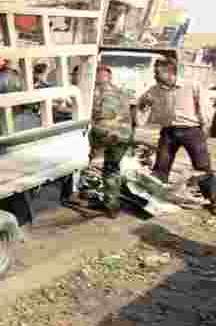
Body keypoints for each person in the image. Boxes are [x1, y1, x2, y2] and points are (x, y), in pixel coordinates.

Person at [132, 57, 215, 212]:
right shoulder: (154, 90)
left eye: (157, 72)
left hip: (191, 130)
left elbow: (205, 108)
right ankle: (153, 201)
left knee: (202, 167)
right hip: (168, 132)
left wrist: (205, 127)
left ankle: (213, 200)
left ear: (169, 72)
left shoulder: (191, 85)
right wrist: (143, 105)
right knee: (160, 168)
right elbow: (141, 106)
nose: (154, 76)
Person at [88, 66, 132, 218]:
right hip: (123, 136)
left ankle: (110, 204)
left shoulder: (103, 94)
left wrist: (96, 146)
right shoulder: (120, 92)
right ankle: (111, 204)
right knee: (112, 169)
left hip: (110, 136)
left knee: (102, 167)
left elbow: (105, 118)